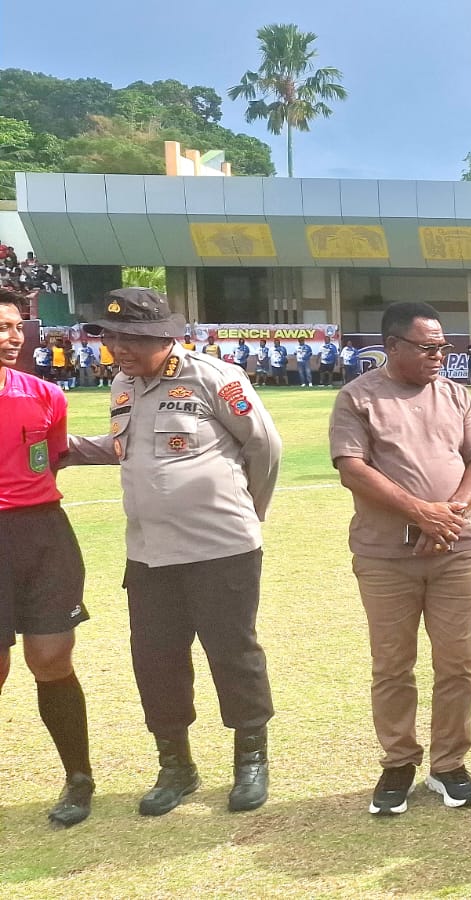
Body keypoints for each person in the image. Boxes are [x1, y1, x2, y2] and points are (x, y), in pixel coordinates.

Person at [65, 287, 281, 816]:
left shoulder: (215, 379)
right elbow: (126, 448)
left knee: (233, 653)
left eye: (134, 338)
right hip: (149, 553)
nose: (120, 348)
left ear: (169, 336)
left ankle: (250, 759)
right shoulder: (122, 384)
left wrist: (246, 513)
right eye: (112, 336)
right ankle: (176, 766)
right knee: (155, 660)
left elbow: (264, 448)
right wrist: (67, 448)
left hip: (221, 548)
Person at [329, 301, 471, 815]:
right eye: (428, 347)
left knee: (457, 663)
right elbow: (352, 468)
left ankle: (448, 765)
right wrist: (421, 513)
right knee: (393, 665)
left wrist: (451, 515)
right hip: (385, 556)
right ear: (393, 346)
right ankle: (399, 762)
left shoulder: (456, 395)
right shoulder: (359, 398)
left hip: (454, 549)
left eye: (442, 346)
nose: (439, 355)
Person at [0, 288, 95, 828]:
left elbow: (49, 462)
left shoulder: (44, 395)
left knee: (52, 660)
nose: (12, 338)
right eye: (1, 327)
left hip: (42, 536)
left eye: (16, 327)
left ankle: (79, 778)